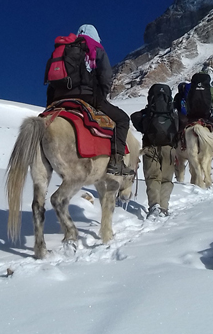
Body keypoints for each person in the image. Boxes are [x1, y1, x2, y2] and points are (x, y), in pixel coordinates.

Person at [46, 24, 133, 176]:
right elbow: (105, 76)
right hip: (86, 96)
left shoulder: (63, 49)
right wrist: (101, 97)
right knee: (123, 120)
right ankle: (116, 162)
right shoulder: (95, 48)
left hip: (57, 99)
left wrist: (50, 105)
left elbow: (51, 81)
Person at [131, 84, 179, 217]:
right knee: (166, 180)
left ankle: (154, 206)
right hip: (169, 149)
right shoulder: (173, 114)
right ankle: (164, 207)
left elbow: (134, 117)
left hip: (149, 147)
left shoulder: (147, 113)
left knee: (153, 177)